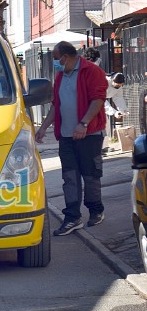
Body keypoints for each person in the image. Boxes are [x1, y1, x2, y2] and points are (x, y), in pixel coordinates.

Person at [35, 41, 108, 236]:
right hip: (66, 136)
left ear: (66, 57)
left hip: (89, 134)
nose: (56, 63)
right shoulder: (61, 76)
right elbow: (55, 105)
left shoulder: (91, 71)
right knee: (69, 177)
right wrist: (43, 128)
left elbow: (98, 100)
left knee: (90, 174)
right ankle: (72, 217)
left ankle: (96, 210)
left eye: (57, 59)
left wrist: (83, 124)